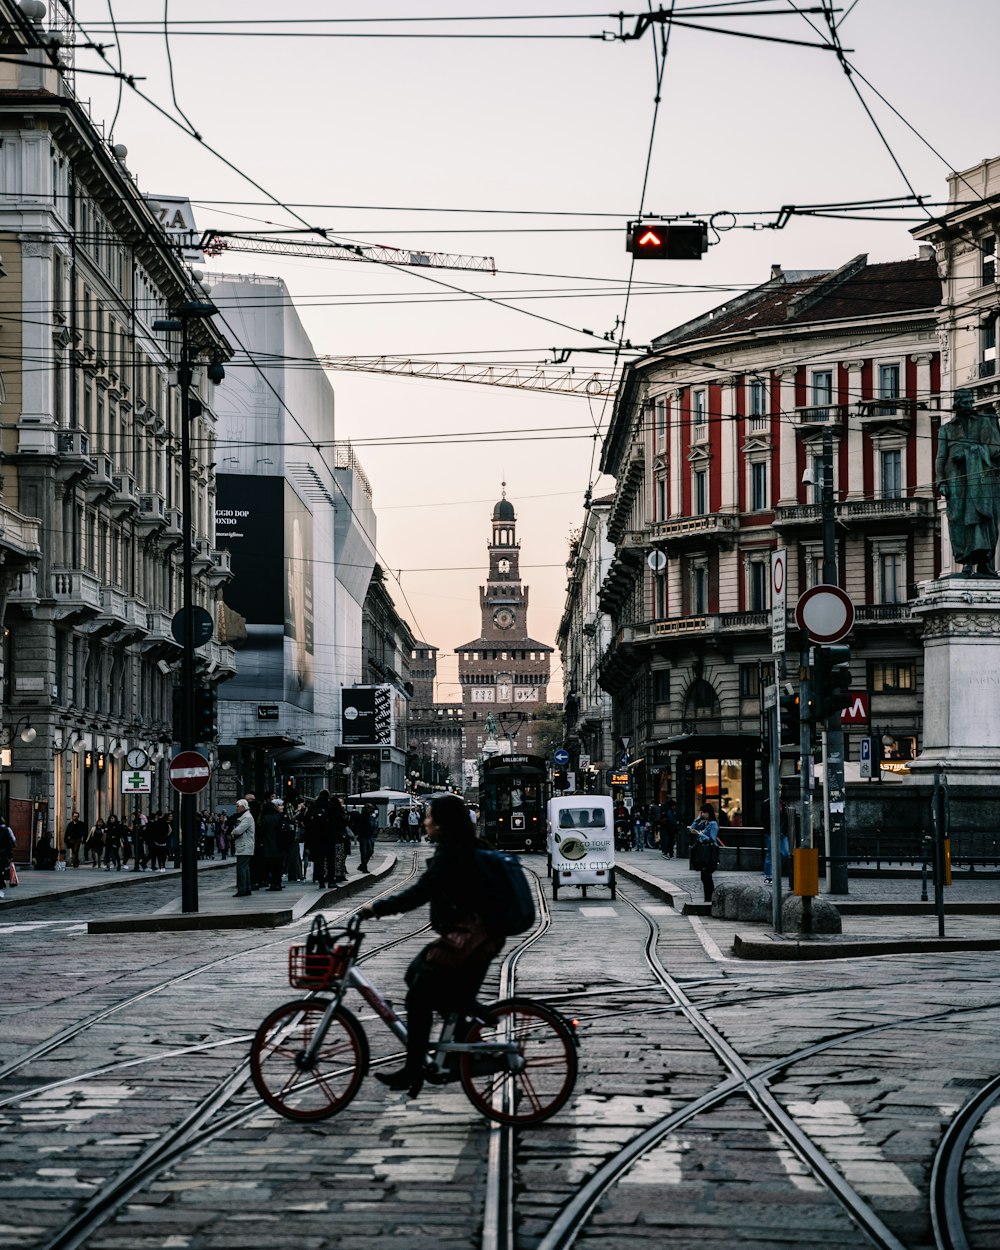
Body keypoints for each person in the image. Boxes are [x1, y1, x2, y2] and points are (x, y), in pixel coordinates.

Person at [358, 794, 505, 1097]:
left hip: (473, 938)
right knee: (416, 974)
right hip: (476, 935)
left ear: (442, 823)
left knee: (419, 997)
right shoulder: (467, 847)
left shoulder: (454, 853)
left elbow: (420, 892)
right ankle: (461, 1033)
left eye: (428, 816)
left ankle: (416, 1068)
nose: (424, 821)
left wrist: (376, 909)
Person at [935, 387, 1000, 577]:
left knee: (984, 521)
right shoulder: (946, 429)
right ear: (957, 404)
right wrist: (941, 481)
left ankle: (984, 562)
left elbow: (996, 450)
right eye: (964, 402)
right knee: (959, 521)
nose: (968, 404)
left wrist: (969, 452)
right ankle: (966, 562)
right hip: (956, 481)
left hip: (982, 479)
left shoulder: (984, 423)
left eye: (969, 401)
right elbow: (940, 457)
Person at [689, 803, 722, 903]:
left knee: (707, 877)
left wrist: (699, 834)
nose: (702, 814)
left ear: (708, 813)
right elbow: (691, 829)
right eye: (701, 812)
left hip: (709, 853)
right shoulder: (705, 823)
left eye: (704, 812)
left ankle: (710, 899)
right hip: (703, 853)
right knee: (704, 877)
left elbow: (712, 839)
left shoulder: (713, 824)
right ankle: (707, 899)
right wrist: (698, 819)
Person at [258, 799, 286, 891]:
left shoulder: (265, 818)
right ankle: (278, 883)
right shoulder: (279, 816)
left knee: (271, 865)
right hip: (280, 843)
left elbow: (261, 832)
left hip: (269, 844)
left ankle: (273, 884)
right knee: (278, 865)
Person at [231, 799, 255, 897]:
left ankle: (242, 889)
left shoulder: (247, 817)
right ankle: (246, 888)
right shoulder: (246, 817)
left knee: (241, 869)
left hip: (244, 846)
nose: (236, 808)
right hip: (245, 846)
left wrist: (232, 833)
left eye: (238, 806)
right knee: (245, 868)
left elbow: (238, 831)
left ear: (243, 806)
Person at [0, 817, 15, 899]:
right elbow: (13, 842)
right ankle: (1, 888)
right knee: (2, 871)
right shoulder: (7, 829)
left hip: (3, 854)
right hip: (4, 855)